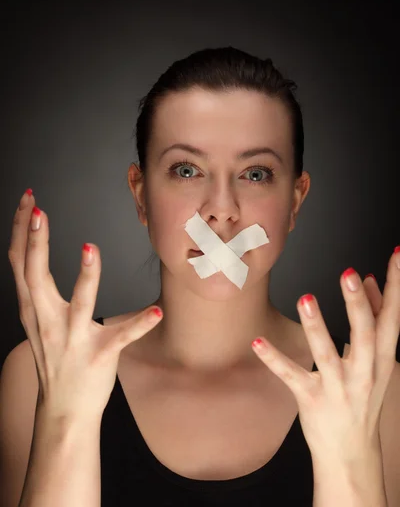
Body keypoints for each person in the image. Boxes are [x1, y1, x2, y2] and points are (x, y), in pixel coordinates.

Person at [3, 47, 369, 506]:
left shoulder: (370, 385)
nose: (221, 209)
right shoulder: (39, 371)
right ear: (140, 195)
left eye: (255, 173)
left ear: (295, 200)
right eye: (187, 170)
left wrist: (351, 464)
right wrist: (65, 423)